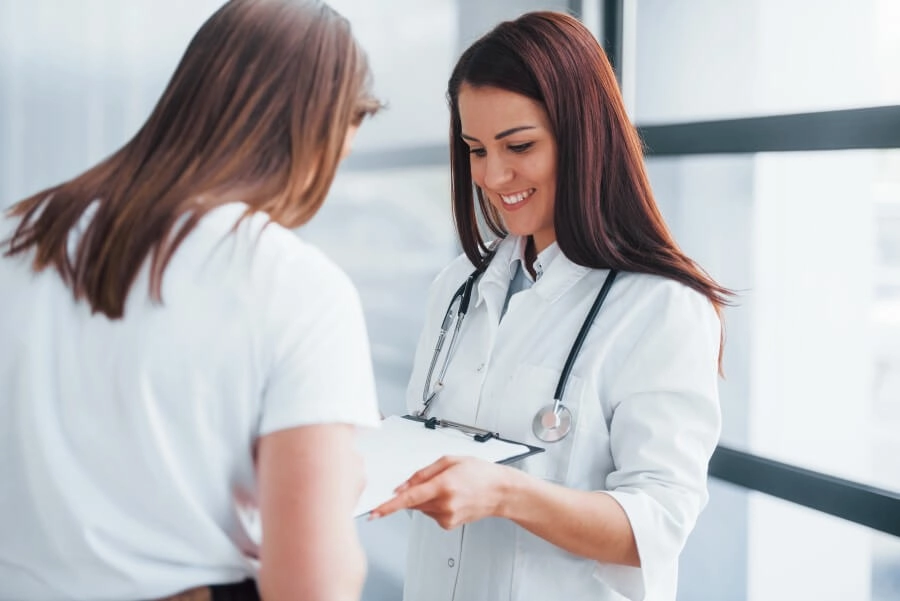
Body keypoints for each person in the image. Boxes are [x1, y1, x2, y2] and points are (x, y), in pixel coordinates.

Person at [0, 1, 382, 600]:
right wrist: (333, 492)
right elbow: (313, 585)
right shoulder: (294, 283)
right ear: (318, 134)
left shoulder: (19, 238)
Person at [370, 10, 731, 601]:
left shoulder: (661, 307)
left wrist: (503, 493)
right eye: (475, 149)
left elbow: (658, 524)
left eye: (518, 145)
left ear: (584, 134)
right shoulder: (458, 288)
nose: (492, 175)